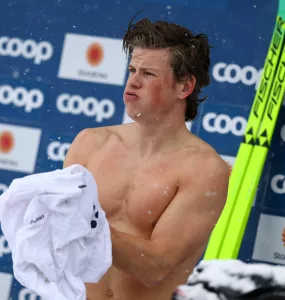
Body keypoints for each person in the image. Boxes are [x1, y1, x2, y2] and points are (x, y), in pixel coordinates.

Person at [63, 15, 230, 300]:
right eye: (132, 69)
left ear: (184, 87)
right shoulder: (90, 143)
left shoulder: (204, 169)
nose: (134, 81)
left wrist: (83, 224)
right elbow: (59, 243)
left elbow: (156, 266)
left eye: (149, 74)